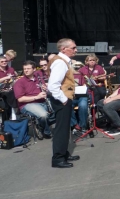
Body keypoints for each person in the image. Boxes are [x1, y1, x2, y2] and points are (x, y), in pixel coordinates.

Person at [48, 38, 79, 168]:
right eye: (73, 48)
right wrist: (64, 99)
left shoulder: (62, 61)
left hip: (62, 99)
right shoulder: (60, 63)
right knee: (61, 129)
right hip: (61, 100)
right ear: (63, 49)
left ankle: (63, 153)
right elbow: (53, 85)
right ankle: (58, 158)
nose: (75, 50)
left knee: (65, 128)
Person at [13, 60, 52, 140]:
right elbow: (20, 99)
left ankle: (40, 123)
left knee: (60, 108)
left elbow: (44, 90)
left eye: (28, 68)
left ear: (34, 69)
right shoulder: (19, 82)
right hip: (28, 104)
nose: (26, 70)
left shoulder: (39, 78)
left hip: (42, 101)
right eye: (24, 69)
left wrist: (46, 90)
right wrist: (36, 97)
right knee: (43, 115)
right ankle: (46, 131)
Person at [70, 61, 89, 133]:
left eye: (80, 67)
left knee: (83, 105)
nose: (78, 69)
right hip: (72, 96)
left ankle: (83, 126)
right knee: (67, 105)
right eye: (76, 67)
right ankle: (75, 124)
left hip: (83, 96)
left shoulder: (85, 75)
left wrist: (86, 84)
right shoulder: (69, 76)